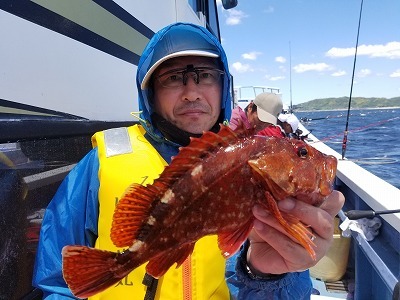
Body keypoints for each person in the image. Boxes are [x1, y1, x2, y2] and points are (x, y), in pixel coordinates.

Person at [32, 22, 344, 299]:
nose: (191, 92)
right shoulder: (99, 164)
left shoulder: (272, 189)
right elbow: (57, 284)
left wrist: (270, 274)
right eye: (172, 78)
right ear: (150, 92)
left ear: (223, 87)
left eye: (205, 76)